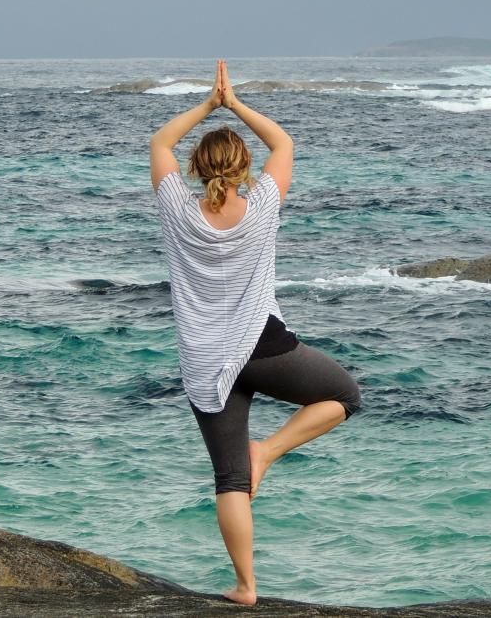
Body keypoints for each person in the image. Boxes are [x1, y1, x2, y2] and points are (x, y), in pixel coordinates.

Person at [149, 59, 362, 606]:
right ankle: (267, 452)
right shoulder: (263, 205)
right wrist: (235, 103)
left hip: (204, 362)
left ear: (195, 168)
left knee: (229, 481)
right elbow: (284, 144)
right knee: (344, 396)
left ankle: (246, 587)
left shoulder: (176, 208)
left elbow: (159, 143)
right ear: (245, 168)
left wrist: (205, 105)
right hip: (262, 346)